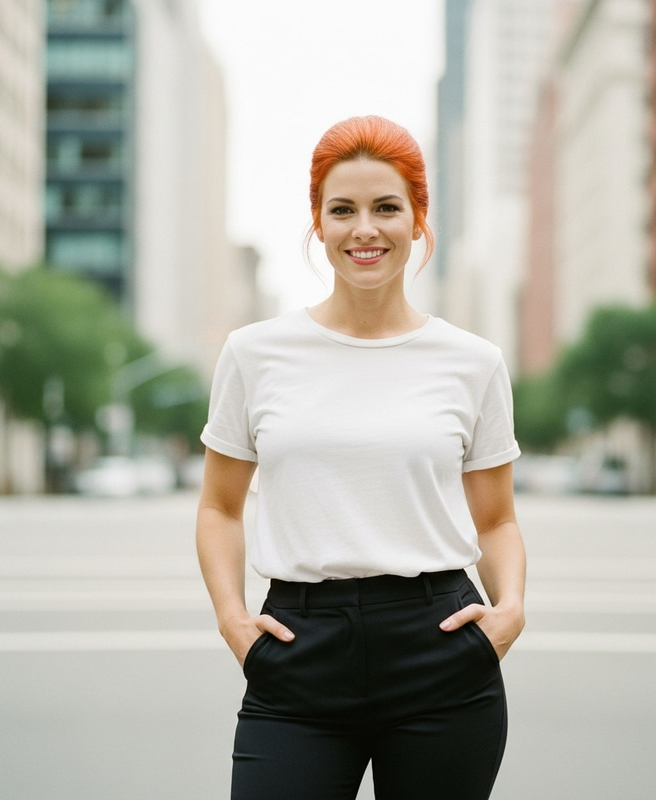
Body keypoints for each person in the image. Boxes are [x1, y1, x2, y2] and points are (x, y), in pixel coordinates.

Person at [196, 115, 526, 800]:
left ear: (418, 219)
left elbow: (495, 520)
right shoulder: (255, 353)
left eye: (386, 208)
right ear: (317, 222)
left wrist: (511, 609)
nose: (364, 230)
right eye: (342, 210)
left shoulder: (472, 362)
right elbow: (220, 506)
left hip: (439, 646)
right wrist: (234, 622)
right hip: (297, 648)